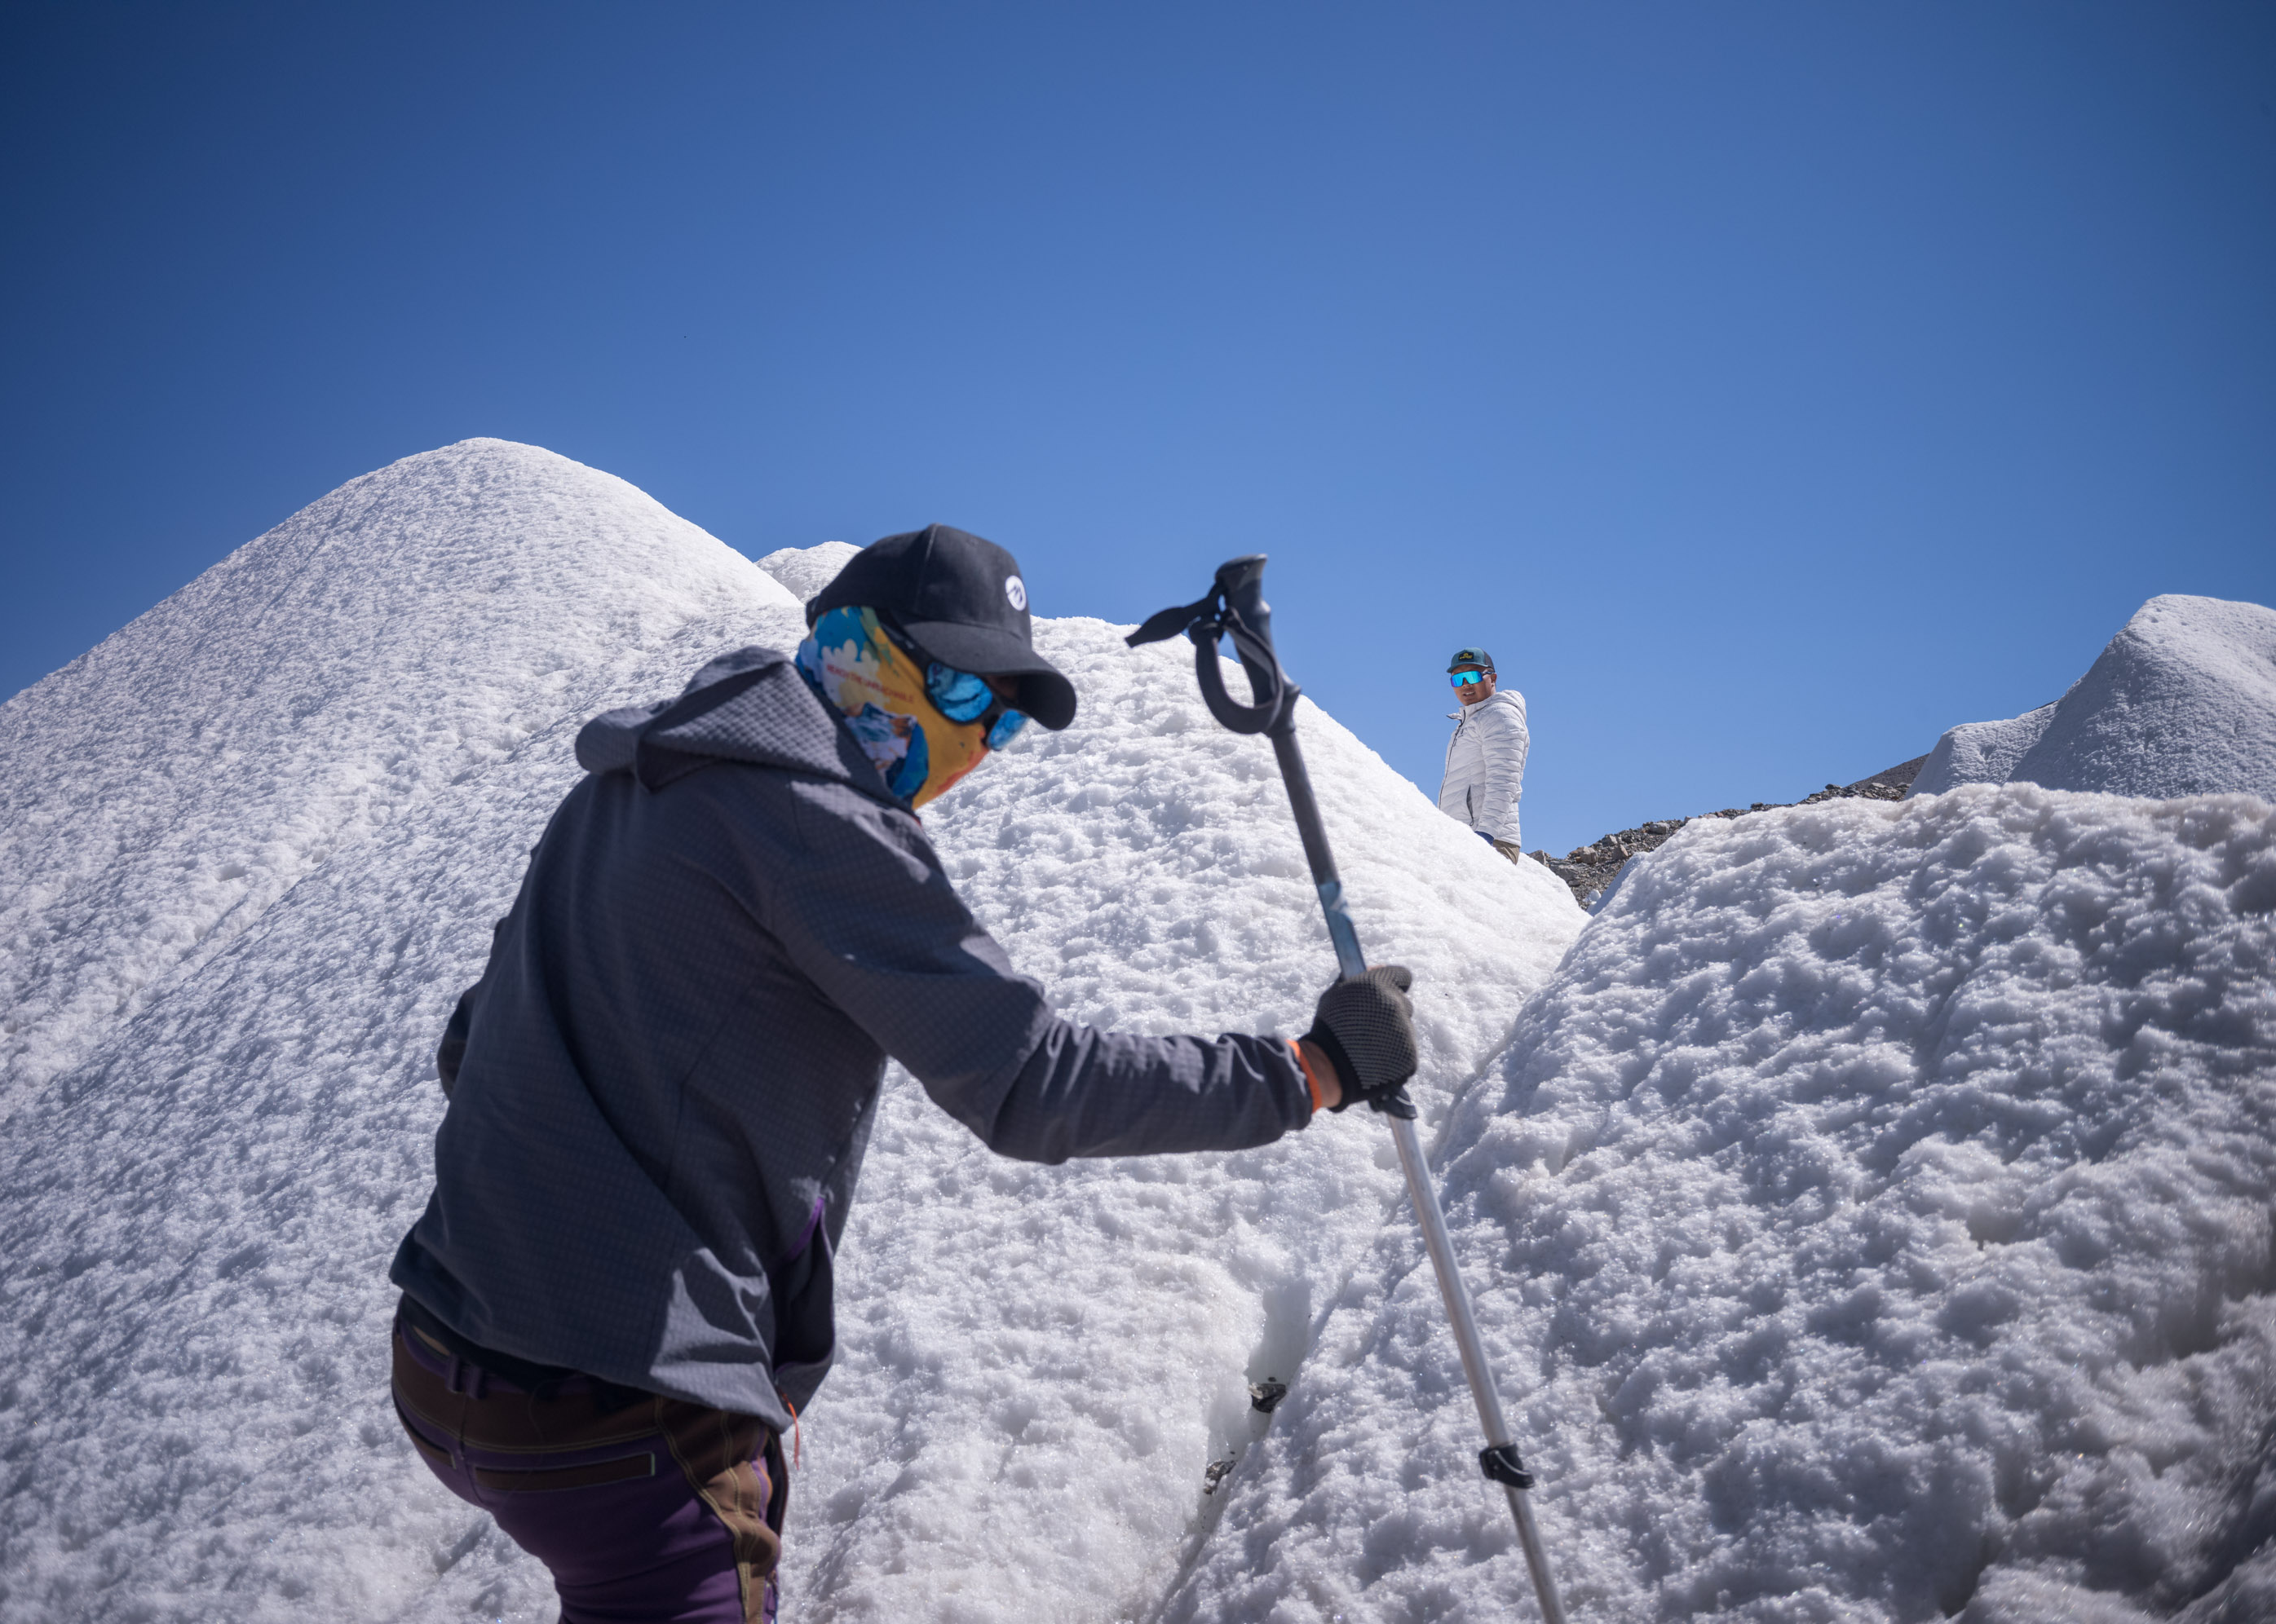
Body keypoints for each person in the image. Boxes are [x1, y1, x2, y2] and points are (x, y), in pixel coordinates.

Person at [385, 523, 1423, 1624]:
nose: (976, 743)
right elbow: (1030, 1084)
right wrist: (1309, 1070)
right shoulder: (817, 817)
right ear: (854, 644)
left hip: (449, 1355)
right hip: (627, 1418)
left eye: (1005, 720)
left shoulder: (639, 774)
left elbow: (470, 1042)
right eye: (961, 694)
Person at [1438, 645, 1529, 863]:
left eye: (1472, 676)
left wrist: (1485, 835)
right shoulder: (1471, 721)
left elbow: (1504, 780)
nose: (1465, 685)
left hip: (1489, 840)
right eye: (1457, 680)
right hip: (1465, 837)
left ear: (1492, 678)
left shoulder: (1499, 715)